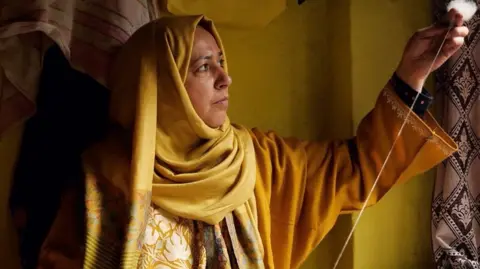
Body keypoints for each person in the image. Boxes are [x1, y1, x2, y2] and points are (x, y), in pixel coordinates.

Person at [37, 8, 467, 269]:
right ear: (159, 86)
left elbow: (353, 170)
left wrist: (412, 75)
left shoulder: (253, 159)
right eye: (204, 66)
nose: (226, 78)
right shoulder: (104, 178)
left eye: (221, 62)